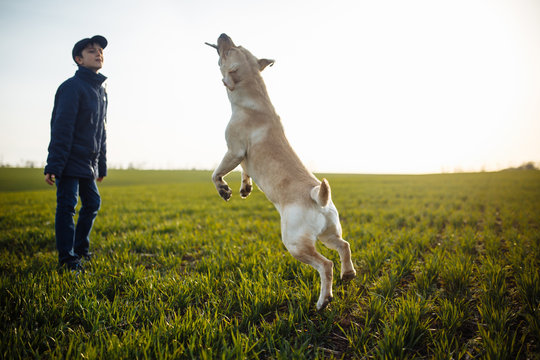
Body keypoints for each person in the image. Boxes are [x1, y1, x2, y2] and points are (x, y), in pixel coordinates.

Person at [44, 35, 109, 272]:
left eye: (101, 50)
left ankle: (81, 250)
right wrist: (54, 165)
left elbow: (101, 131)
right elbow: (61, 127)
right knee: (67, 207)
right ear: (79, 59)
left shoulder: (101, 92)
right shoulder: (71, 88)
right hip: (70, 159)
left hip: (87, 163)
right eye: (92, 51)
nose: (98, 53)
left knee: (92, 203)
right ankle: (68, 259)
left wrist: (101, 166)